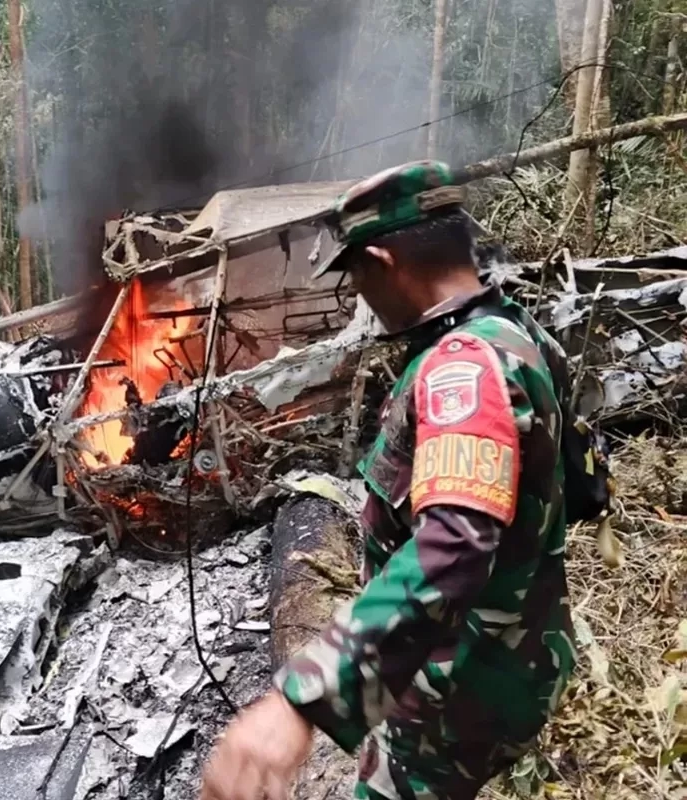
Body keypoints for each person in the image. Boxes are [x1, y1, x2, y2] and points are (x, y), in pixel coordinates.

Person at [199, 161, 577, 800]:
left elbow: (454, 544)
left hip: (457, 686)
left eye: (355, 275)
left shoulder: (465, 369)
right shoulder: (515, 330)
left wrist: (304, 698)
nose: (359, 297)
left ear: (381, 259)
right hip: (505, 652)